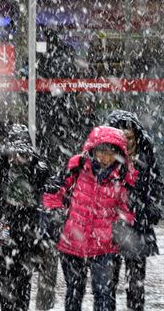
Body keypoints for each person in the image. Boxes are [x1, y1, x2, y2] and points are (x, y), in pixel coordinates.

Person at [43, 126, 137, 311]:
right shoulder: (77, 166)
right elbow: (53, 191)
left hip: (105, 246)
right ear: (93, 149)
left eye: (112, 152)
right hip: (72, 242)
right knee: (74, 291)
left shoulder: (124, 176)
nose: (106, 157)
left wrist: (121, 226)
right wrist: (55, 216)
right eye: (101, 151)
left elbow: (129, 207)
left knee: (104, 294)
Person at [0, 124, 50, 311]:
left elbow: (48, 199)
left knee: (23, 289)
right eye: (13, 153)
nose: (17, 158)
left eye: (21, 154)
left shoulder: (37, 171)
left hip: (26, 240)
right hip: (3, 239)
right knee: (6, 291)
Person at [106, 110, 162, 311]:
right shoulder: (105, 153)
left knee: (136, 283)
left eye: (129, 137)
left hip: (138, 224)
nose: (126, 141)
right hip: (109, 224)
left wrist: (153, 206)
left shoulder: (146, 155)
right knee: (107, 283)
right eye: (121, 137)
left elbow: (156, 184)